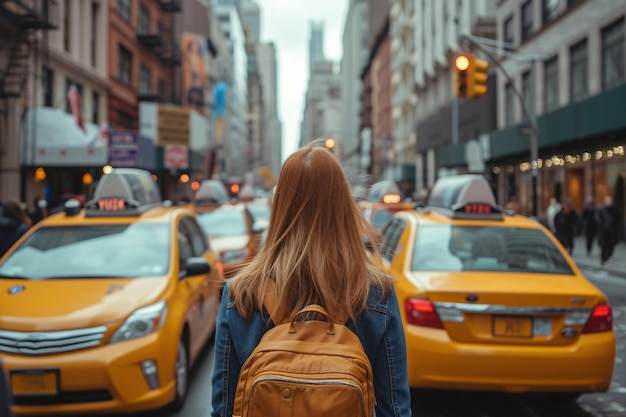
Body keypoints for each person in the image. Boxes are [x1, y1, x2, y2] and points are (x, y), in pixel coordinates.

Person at [210, 140, 412, 417]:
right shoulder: (375, 293)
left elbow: (223, 408)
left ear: (280, 206)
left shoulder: (241, 293)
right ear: (343, 205)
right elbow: (395, 410)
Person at [596, 195, 622, 265]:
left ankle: (607, 258)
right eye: (607, 201)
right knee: (603, 246)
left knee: (610, 246)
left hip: (612, 232)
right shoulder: (602, 210)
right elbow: (598, 219)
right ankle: (603, 259)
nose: (609, 202)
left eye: (610, 201)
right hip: (604, 231)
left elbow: (618, 221)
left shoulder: (615, 210)